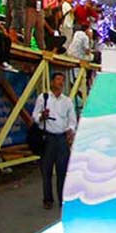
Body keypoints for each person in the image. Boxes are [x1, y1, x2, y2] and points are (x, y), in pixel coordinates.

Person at [33, 72, 77, 210]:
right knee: (46, 170)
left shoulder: (67, 101)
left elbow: (72, 120)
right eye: (58, 79)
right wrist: (42, 116)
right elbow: (34, 116)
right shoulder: (44, 98)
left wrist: (70, 129)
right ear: (52, 82)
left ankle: (62, 199)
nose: (61, 83)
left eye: (62, 80)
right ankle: (47, 199)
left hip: (62, 138)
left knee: (62, 171)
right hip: (48, 138)